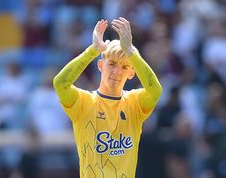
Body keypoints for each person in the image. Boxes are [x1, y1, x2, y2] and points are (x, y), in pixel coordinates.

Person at [53, 17, 162, 178]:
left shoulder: (134, 104)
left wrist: (131, 52)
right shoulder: (84, 102)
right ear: (100, 66)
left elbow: (155, 91)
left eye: (124, 67)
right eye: (111, 64)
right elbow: (60, 83)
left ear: (132, 72)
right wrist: (93, 50)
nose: (117, 72)